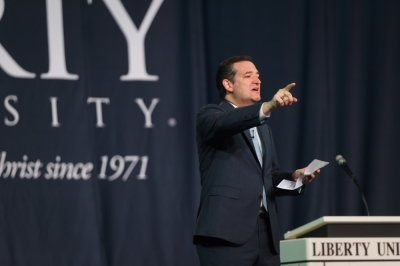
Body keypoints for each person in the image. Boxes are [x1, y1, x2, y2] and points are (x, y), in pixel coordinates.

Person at [193, 56, 320, 266]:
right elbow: (225, 124)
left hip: (267, 237)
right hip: (226, 235)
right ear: (228, 84)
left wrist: (295, 178)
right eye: (248, 76)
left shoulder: (263, 129)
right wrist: (267, 107)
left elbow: (268, 179)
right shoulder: (210, 116)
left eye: (258, 76)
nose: (257, 81)